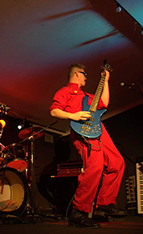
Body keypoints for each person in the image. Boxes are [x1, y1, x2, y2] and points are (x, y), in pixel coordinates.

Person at [49, 63, 125, 228]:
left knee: (117, 162)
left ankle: (104, 203)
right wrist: (73, 115)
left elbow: (104, 103)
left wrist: (105, 80)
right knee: (95, 168)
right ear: (76, 74)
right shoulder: (65, 91)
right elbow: (54, 111)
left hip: (99, 129)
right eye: (84, 74)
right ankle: (78, 212)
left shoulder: (88, 96)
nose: (86, 77)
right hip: (83, 130)